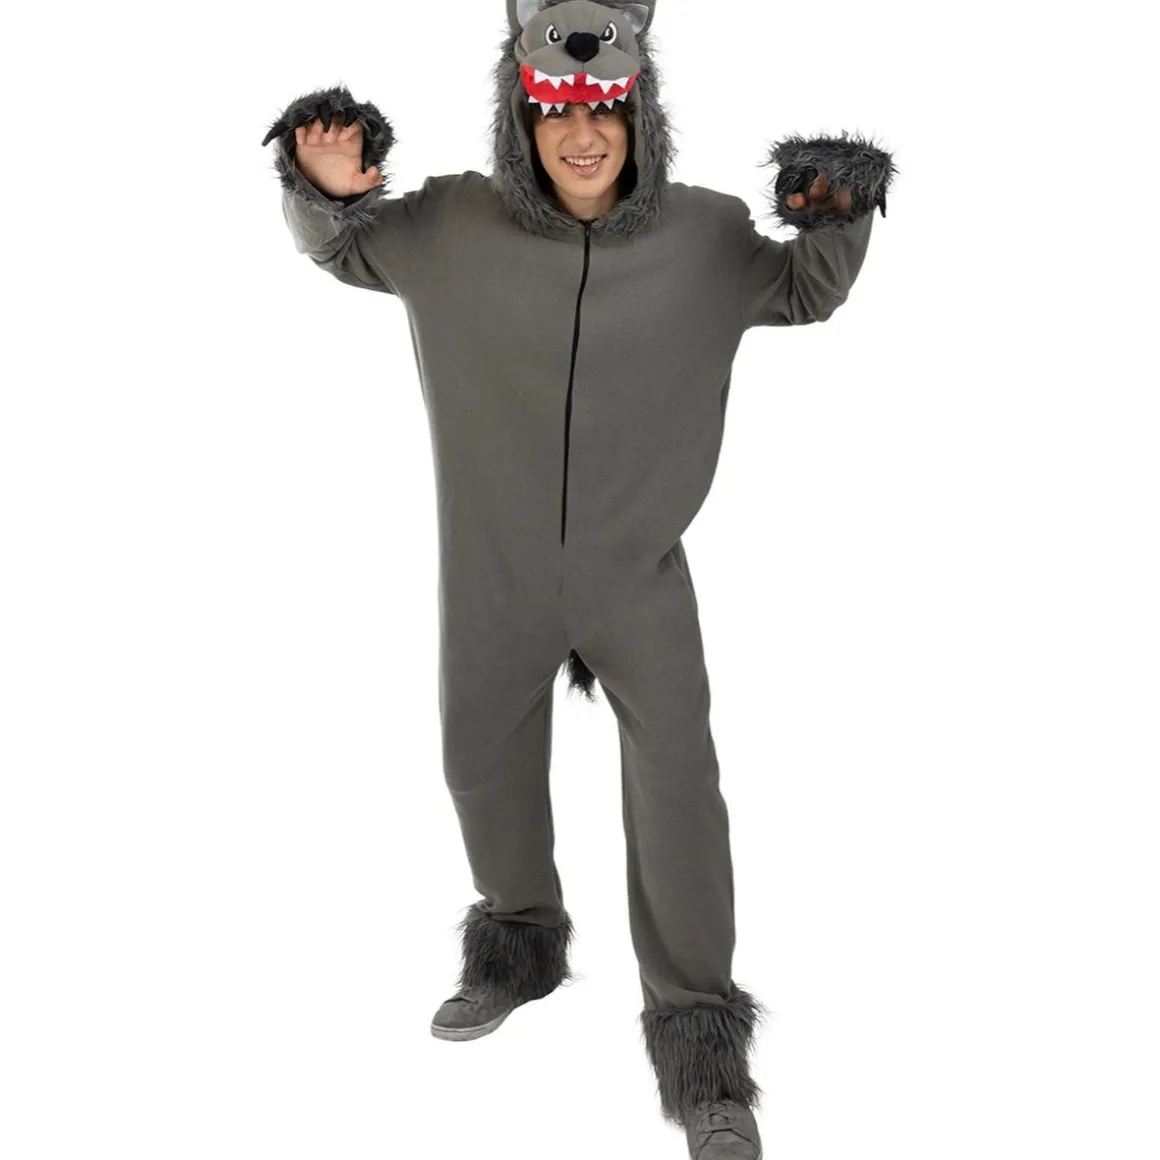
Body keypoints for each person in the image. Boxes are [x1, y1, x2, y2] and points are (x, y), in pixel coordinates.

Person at [260, 2, 895, 1156]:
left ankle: (701, 1051)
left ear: (640, 112)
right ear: (522, 120)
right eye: (558, 112)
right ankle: (518, 943)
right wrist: (323, 187)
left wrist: (837, 206)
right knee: (478, 760)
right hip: (492, 572)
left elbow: (805, 288)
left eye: (606, 109)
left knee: (679, 791)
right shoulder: (450, 224)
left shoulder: (704, 236)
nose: (584, 134)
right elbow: (341, 246)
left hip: (634, 575)